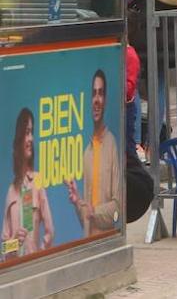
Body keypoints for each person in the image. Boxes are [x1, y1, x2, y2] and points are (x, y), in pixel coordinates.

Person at [66, 69, 121, 235]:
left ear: (105, 100)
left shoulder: (112, 143)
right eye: (94, 94)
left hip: (108, 241)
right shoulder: (87, 151)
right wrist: (78, 202)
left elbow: (119, 206)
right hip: (89, 240)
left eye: (101, 93)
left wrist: (93, 211)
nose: (96, 100)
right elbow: (86, 220)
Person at [3, 108, 53, 257]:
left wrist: (40, 258)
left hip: (35, 270)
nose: (31, 138)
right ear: (19, 139)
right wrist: (14, 241)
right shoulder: (11, 191)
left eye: (32, 132)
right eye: (26, 133)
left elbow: (50, 231)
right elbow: (3, 250)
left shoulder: (37, 181)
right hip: (16, 273)